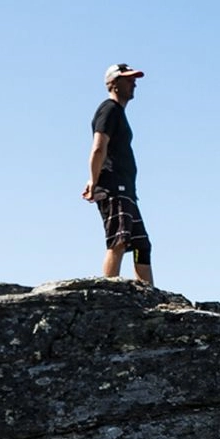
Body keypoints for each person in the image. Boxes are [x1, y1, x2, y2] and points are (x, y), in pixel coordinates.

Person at [83, 64, 153, 284]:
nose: (133, 83)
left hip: (126, 189)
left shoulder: (118, 113)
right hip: (115, 187)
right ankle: (109, 292)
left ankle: (148, 294)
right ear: (113, 83)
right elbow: (98, 147)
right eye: (128, 79)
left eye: (134, 80)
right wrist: (94, 181)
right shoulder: (109, 109)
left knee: (141, 245)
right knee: (119, 239)